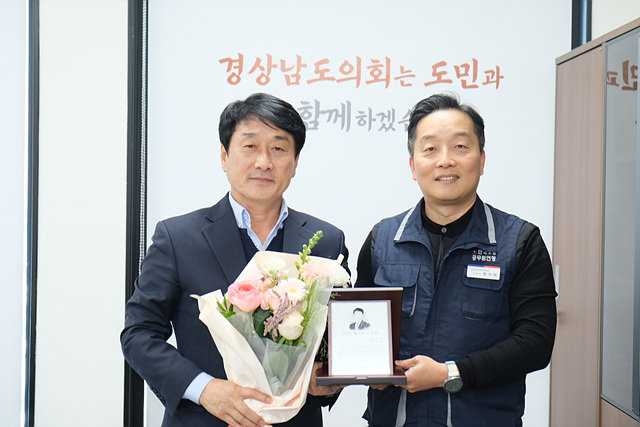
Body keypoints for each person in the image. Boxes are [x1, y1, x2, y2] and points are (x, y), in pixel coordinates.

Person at [121, 93, 348, 427]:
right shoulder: (178, 238)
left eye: (279, 148)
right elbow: (139, 334)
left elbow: (338, 342)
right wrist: (204, 389)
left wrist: (325, 378)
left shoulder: (326, 241)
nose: (264, 162)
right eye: (250, 146)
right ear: (224, 156)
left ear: (295, 162)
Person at [355, 93, 557, 426]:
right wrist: (364, 369)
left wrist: (450, 373)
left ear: (481, 160)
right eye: (430, 149)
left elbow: (535, 343)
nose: (445, 160)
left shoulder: (520, 241)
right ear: (413, 165)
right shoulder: (382, 240)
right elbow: (357, 329)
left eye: (460, 147)